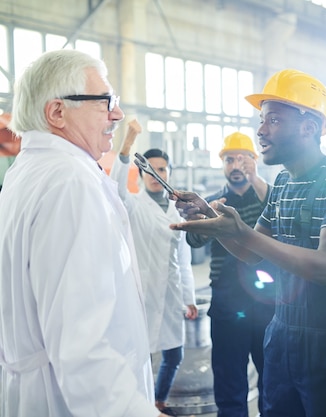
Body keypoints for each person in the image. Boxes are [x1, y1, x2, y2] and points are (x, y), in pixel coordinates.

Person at [171, 69, 326, 417]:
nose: (261, 131)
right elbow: (250, 253)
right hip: (281, 331)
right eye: (262, 121)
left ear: (309, 127)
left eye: (274, 120)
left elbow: (325, 266)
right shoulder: (282, 183)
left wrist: (241, 231)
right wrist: (209, 221)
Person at [0, 49, 168, 416]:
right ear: (57, 112)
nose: (118, 114)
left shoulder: (27, 173)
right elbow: (83, 350)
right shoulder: (70, 182)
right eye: (105, 101)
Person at [110, 120, 198, 415]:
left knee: (174, 354)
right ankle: (141, 404)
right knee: (142, 353)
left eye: (161, 169)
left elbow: (183, 258)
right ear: (141, 172)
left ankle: (157, 401)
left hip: (171, 291)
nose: (155, 175)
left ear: (168, 174)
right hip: (142, 292)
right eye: (149, 169)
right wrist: (127, 145)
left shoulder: (178, 209)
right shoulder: (133, 205)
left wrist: (190, 298)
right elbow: (115, 189)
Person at [185, 131, 276, 417]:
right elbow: (195, 242)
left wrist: (256, 180)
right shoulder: (214, 203)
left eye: (242, 158)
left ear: (254, 160)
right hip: (227, 304)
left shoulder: (268, 196)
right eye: (229, 160)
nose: (235, 165)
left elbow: (279, 215)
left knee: (273, 378)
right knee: (228, 381)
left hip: (267, 303)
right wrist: (194, 219)